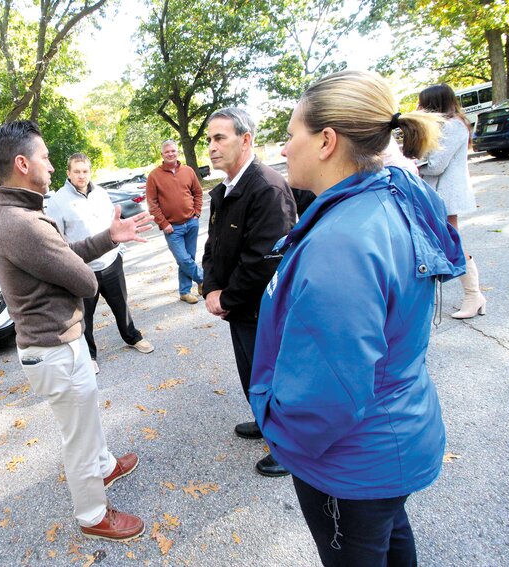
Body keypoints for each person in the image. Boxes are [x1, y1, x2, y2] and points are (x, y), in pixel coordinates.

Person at [249, 70, 465, 566]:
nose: (283, 149)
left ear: (326, 141)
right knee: (390, 542)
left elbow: (326, 393)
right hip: (393, 437)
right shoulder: (391, 195)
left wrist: (275, 425)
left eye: (290, 135)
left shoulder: (342, 242)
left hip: (352, 460)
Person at [0, 120, 152, 542]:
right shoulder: (23, 222)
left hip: (61, 343)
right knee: (76, 437)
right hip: (53, 350)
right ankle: (93, 514)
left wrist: (108, 237)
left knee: (87, 417)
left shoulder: (19, 212)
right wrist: (84, 273)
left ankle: (105, 466)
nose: (51, 163)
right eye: (44, 156)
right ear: (22, 163)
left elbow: (63, 256)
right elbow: (86, 281)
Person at [201, 107, 297, 478]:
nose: (211, 146)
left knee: (271, 376)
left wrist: (226, 298)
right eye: (209, 139)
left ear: (246, 139)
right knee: (252, 374)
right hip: (238, 308)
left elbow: (264, 260)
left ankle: (286, 447)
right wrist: (210, 288)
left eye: (219, 137)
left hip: (263, 310)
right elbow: (214, 246)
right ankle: (265, 420)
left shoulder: (267, 188)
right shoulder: (224, 189)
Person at [45, 152, 154, 375]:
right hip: (84, 269)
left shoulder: (101, 194)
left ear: (90, 172)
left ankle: (132, 337)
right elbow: (58, 238)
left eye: (85, 171)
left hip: (111, 263)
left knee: (121, 305)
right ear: (68, 173)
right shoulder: (58, 201)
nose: (81, 176)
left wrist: (119, 251)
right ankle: (90, 355)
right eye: (77, 171)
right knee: (85, 316)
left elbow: (113, 225)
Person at [418, 83, 487, 319]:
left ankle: (474, 295)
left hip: (446, 195)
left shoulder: (454, 126)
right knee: (440, 242)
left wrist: (414, 161)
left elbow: (436, 165)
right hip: (439, 194)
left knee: (451, 243)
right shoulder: (449, 125)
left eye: (424, 103)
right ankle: (468, 295)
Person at [145, 140, 204, 304]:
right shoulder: (154, 176)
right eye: (167, 152)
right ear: (162, 155)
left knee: (189, 258)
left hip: (191, 223)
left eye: (173, 151)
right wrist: (164, 224)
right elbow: (152, 203)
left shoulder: (188, 171)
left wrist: (197, 213)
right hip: (172, 228)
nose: (171, 154)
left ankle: (185, 292)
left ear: (177, 152)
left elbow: (198, 193)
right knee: (184, 260)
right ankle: (203, 279)